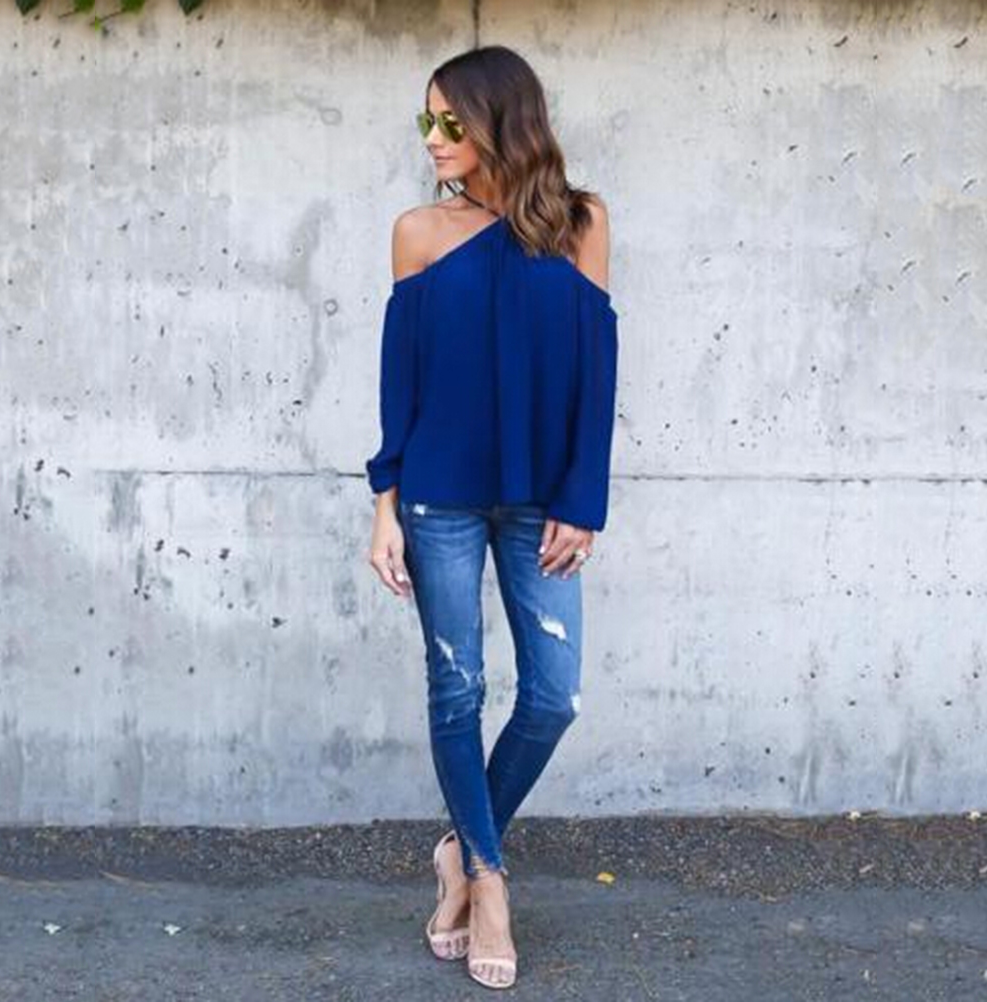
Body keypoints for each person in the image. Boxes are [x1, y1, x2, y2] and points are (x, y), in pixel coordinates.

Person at [365, 44, 618, 991]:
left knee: (553, 696)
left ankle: (459, 851)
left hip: (541, 501)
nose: (433, 139)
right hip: (438, 494)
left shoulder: (581, 222)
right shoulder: (418, 232)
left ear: (499, 120)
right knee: (458, 691)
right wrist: (384, 508)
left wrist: (583, 503)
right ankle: (488, 880)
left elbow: (597, 372)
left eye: (451, 121)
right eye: (426, 120)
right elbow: (400, 384)